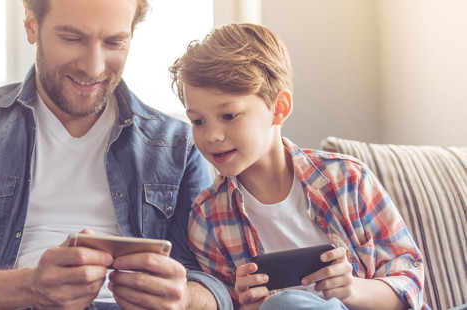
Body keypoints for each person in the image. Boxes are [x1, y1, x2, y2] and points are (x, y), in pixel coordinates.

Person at [0, 0, 233, 309]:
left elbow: (215, 282)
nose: (93, 68)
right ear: (32, 26)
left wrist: (185, 298)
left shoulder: (178, 144)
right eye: (72, 38)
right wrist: (28, 287)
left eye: (113, 42)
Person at [169, 23, 428, 310]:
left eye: (229, 115)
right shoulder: (207, 218)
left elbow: (409, 283)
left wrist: (351, 289)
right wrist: (245, 304)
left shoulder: (347, 179)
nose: (212, 135)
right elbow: (225, 301)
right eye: (198, 121)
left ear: (278, 108)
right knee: (285, 304)